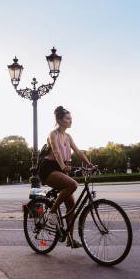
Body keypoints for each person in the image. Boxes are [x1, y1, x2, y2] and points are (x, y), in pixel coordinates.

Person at [38, 106, 94, 248]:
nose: (70, 121)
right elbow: (56, 152)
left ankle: (70, 239)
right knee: (73, 185)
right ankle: (51, 214)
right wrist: (63, 166)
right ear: (59, 120)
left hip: (62, 168)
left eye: (71, 119)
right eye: (67, 119)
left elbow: (78, 151)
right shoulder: (53, 134)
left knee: (71, 207)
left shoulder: (68, 137)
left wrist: (89, 163)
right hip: (49, 168)